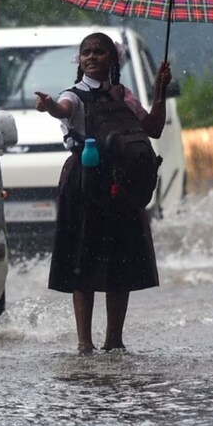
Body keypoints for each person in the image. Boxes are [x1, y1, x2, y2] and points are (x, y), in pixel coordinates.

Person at [34, 32, 171, 354]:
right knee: (83, 262)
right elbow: (63, 109)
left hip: (122, 187)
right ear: (79, 61)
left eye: (99, 52)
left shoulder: (124, 95)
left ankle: (115, 341)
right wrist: (49, 105)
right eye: (86, 53)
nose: (92, 57)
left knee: (119, 264)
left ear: (113, 60)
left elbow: (153, 128)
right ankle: (84, 343)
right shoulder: (74, 94)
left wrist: (160, 92)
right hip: (85, 186)